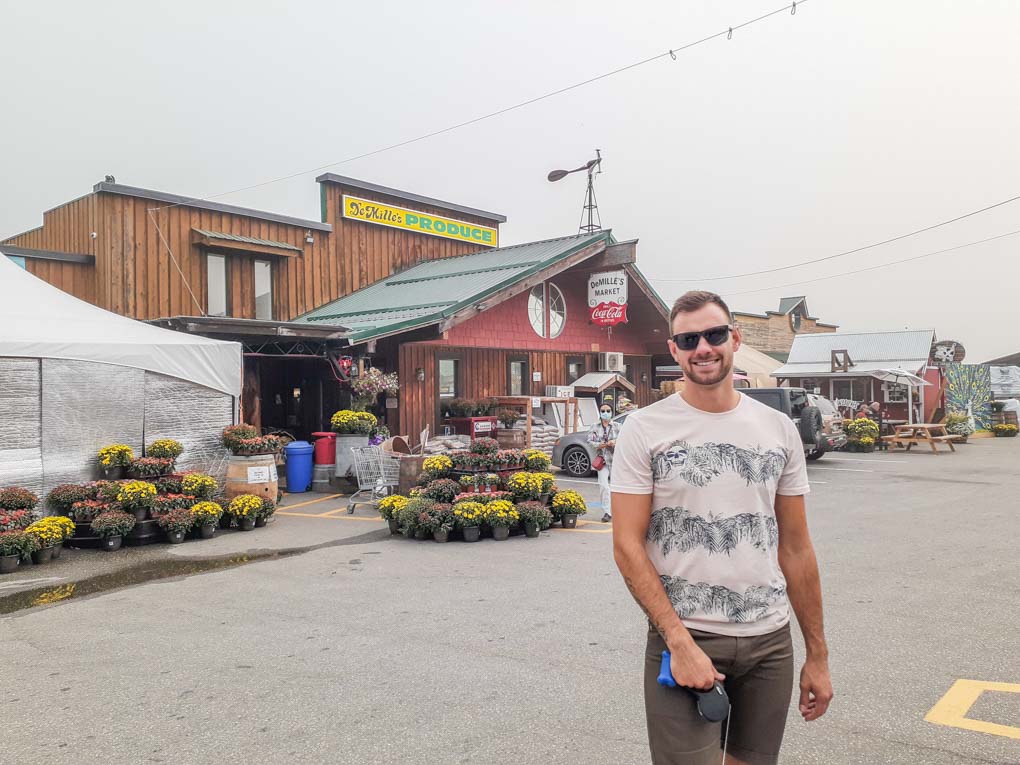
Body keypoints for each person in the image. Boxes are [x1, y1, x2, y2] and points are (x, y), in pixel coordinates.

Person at [611, 290, 833, 765]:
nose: (702, 348)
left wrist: (817, 654)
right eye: (688, 340)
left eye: (713, 335)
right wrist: (677, 641)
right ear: (674, 350)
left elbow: (796, 548)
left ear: (734, 337)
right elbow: (627, 545)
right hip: (687, 636)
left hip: (770, 641)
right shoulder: (644, 429)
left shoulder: (778, 428)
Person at [588, 403, 620, 523]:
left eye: (608, 410)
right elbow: (590, 441)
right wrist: (600, 444)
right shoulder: (594, 427)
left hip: (616, 460)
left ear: (611, 412)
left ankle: (619, 511)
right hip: (602, 460)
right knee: (603, 486)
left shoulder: (618, 426)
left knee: (617, 487)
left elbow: (625, 439)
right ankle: (607, 512)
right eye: (603, 411)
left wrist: (614, 442)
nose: (605, 413)